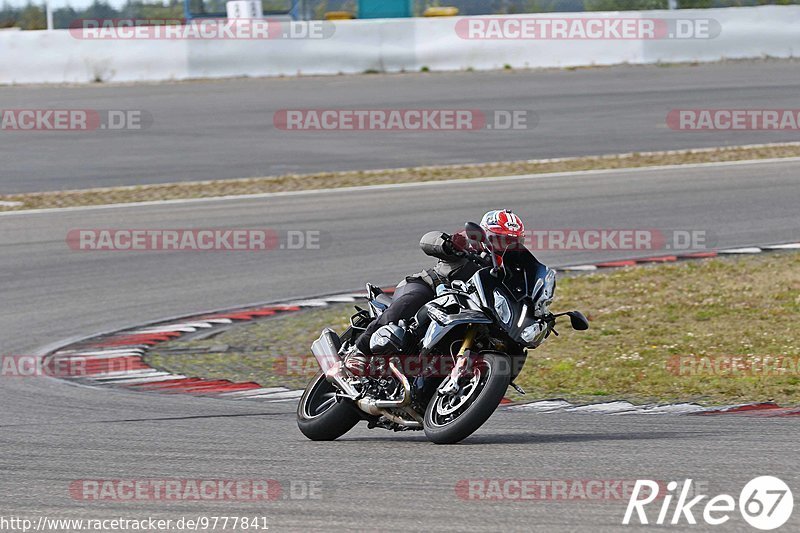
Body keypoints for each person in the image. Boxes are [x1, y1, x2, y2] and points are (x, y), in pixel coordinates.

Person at [343, 209, 526, 375]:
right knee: (415, 299)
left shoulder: (510, 272)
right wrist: (447, 244)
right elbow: (428, 240)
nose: (506, 246)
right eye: (501, 240)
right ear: (485, 236)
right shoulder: (468, 246)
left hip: (467, 311)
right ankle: (360, 351)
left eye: (513, 242)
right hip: (430, 288)